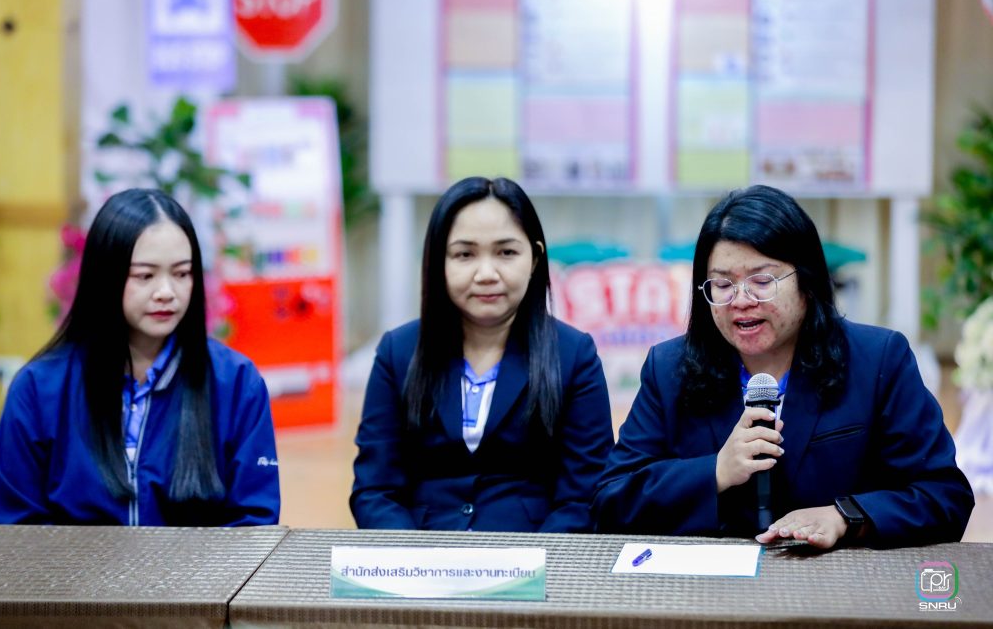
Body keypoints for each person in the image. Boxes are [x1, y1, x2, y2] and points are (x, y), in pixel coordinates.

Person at [593, 185, 974, 548]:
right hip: (711, 584)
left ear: (807, 281)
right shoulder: (669, 369)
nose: (741, 300)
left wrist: (846, 516)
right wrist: (716, 471)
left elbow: (944, 496)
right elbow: (610, 501)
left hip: (838, 579)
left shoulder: (878, 359)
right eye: (722, 285)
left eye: (762, 281)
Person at [0, 189, 280, 526]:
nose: (166, 292)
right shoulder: (37, 390)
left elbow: (254, 522)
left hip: (204, 565)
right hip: (72, 565)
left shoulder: (237, 383)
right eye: (145, 275)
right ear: (105, 277)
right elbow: (19, 528)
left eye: (181, 273)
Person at [351, 177, 614, 532]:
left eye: (506, 253)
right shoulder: (397, 352)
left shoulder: (574, 355)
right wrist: (413, 558)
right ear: (438, 261)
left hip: (533, 555)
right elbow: (375, 491)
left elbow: (585, 495)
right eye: (465, 254)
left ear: (535, 258)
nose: (486, 274)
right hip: (422, 555)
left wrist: (530, 561)